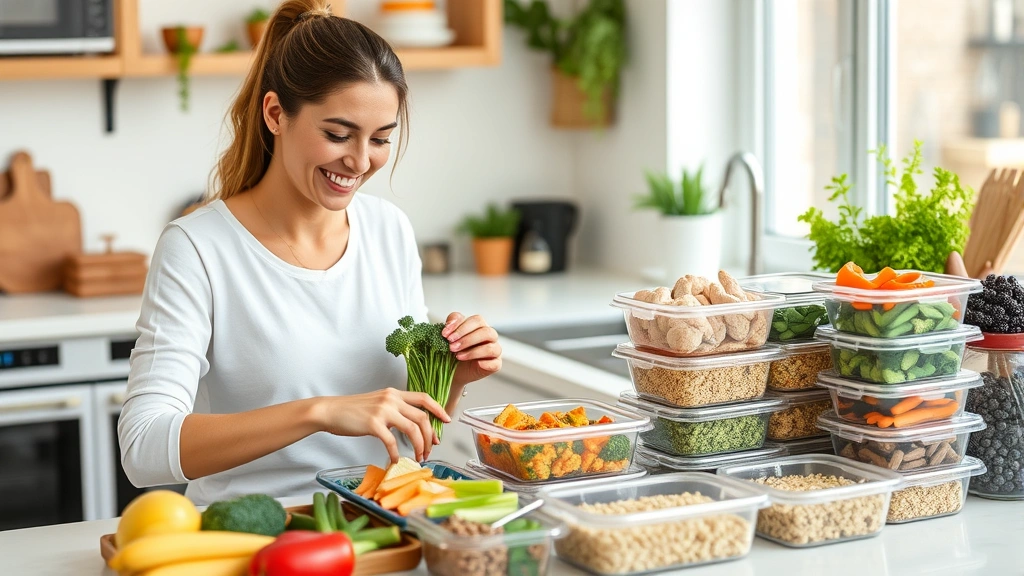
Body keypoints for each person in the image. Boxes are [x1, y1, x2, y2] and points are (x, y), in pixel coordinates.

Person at [117, 0, 502, 505]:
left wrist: (452, 374)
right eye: (338, 134)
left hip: (376, 524)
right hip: (250, 531)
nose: (360, 162)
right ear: (276, 114)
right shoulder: (197, 247)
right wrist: (318, 411)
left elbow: (408, 436)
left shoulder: (388, 230)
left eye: (381, 139)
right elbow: (143, 448)